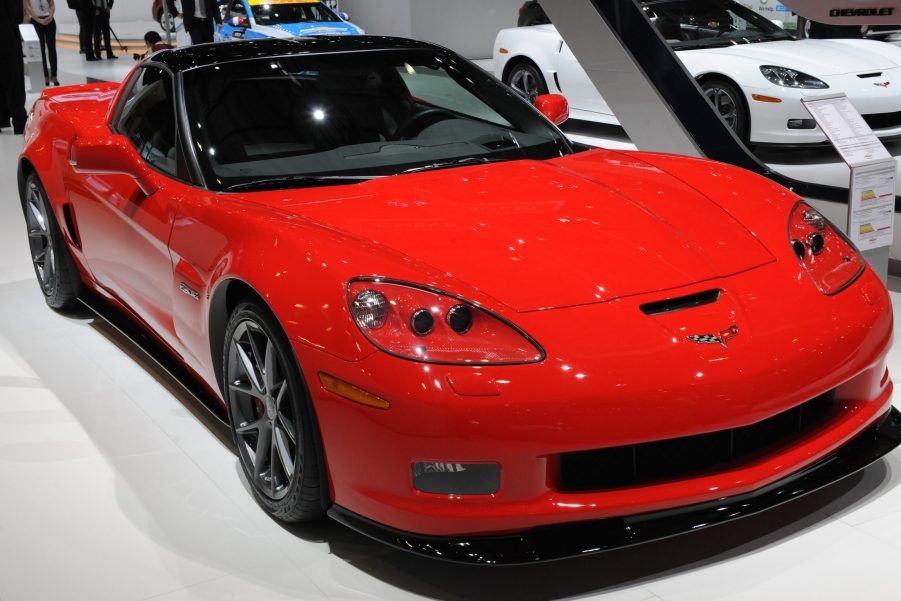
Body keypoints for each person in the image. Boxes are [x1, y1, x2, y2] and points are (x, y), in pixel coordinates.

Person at [0, 0, 28, 134]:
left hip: (7, 38)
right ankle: (19, 121)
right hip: (8, 40)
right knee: (14, 80)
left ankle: (2, 118)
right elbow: (16, 16)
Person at [24, 0, 59, 85]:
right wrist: (39, 20)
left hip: (49, 21)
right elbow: (28, 7)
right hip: (36, 22)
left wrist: (50, 16)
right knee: (41, 50)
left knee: (52, 49)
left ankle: (54, 75)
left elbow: (52, 5)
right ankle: (45, 76)